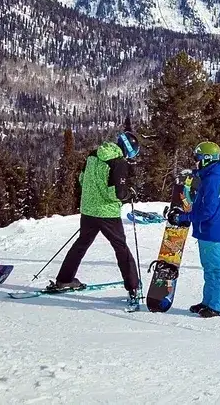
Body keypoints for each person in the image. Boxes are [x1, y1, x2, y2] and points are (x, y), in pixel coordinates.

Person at [49, 132, 142, 308]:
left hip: (88, 210)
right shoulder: (118, 162)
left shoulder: (93, 154)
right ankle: (133, 288)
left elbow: (82, 179)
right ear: (128, 149)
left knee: (81, 245)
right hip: (107, 213)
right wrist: (129, 194)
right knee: (121, 248)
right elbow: (116, 193)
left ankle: (64, 279)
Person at [170, 141, 220, 318]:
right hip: (206, 230)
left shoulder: (214, 180)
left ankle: (219, 306)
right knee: (209, 268)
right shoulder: (210, 175)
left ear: (206, 159)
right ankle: (209, 302)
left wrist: (184, 217)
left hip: (212, 230)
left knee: (217, 269)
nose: (195, 161)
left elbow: (208, 210)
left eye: (197, 158)